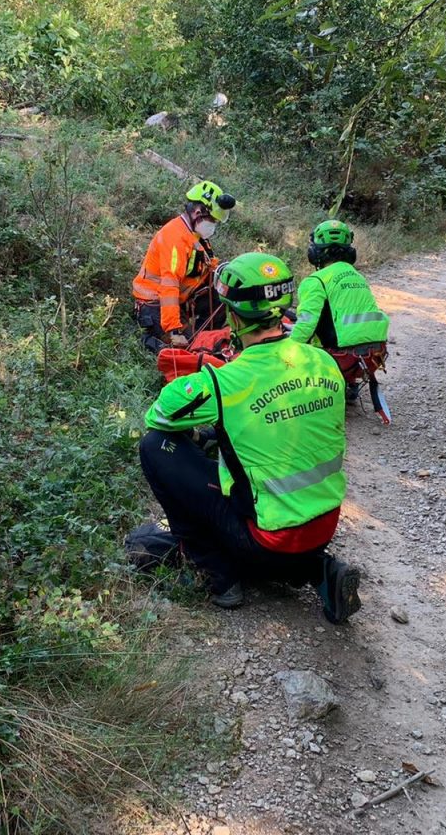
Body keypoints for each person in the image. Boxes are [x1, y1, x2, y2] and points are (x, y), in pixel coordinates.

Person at [138, 253, 362, 623]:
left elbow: (159, 416)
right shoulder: (323, 362)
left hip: (265, 539)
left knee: (154, 447)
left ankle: (219, 576)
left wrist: (211, 382)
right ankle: (316, 568)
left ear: (233, 315)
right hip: (323, 525)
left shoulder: (224, 382)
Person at [289, 219, 389, 402]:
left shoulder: (316, 280)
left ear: (314, 252)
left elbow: (306, 325)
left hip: (340, 359)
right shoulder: (358, 277)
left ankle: (325, 383)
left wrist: (284, 351)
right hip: (374, 356)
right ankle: (349, 383)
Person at [132, 180, 237, 354]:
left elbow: (206, 267)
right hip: (154, 302)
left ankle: (206, 335)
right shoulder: (174, 238)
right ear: (198, 212)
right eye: (212, 220)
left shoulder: (195, 235)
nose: (213, 225)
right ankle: (157, 339)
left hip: (181, 300)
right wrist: (174, 329)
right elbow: (169, 285)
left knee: (221, 295)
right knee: (188, 348)